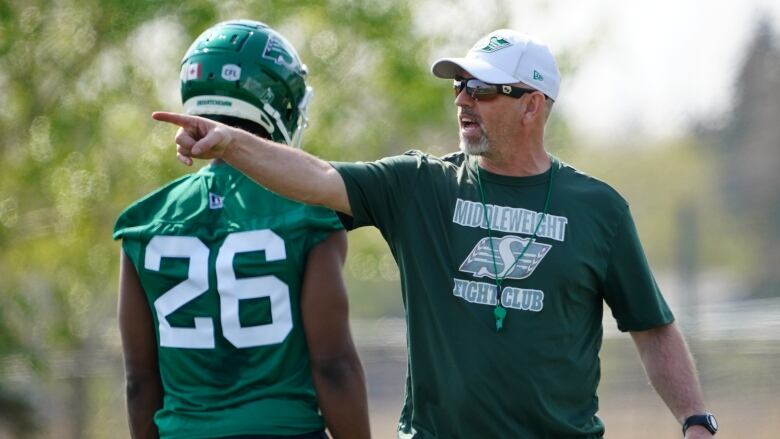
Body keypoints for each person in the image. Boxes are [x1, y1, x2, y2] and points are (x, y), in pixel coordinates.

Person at [153, 29, 718, 438]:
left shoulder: (599, 209)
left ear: (533, 106)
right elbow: (317, 176)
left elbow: (653, 328)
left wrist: (695, 421)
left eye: (484, 89)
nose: (464, 98)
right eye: (460, 86)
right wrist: (231, 142)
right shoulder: (420, 185)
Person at [115, 20, 370, 439]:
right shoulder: (311, 211)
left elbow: (139, 380)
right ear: (276, 102)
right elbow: (333, 363)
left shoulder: (143, 222)